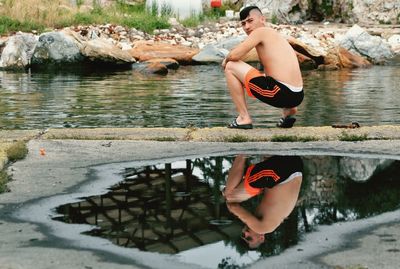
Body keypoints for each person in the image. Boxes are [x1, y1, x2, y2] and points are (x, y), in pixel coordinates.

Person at [222, 6, 304, 129]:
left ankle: (244, 118)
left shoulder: (260, 32)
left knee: (230, 66)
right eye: (243, 24)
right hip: (297, 95)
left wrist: (226, 60)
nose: (247, 27)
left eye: (250, 21)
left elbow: (234, 55)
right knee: (266, 75)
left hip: (281, 93)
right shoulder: (274, 35)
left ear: (262, 19)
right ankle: (289, 110)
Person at [223, 155, 303, 248]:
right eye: (249, 238)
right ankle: (242, 152)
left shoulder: (273, 222)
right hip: (283, 172)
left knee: (238, 191)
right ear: (261, 238)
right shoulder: (262, 228)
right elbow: (233, 207)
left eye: (243, 235)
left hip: (294, 168)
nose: (245, 233)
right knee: (230, 195)